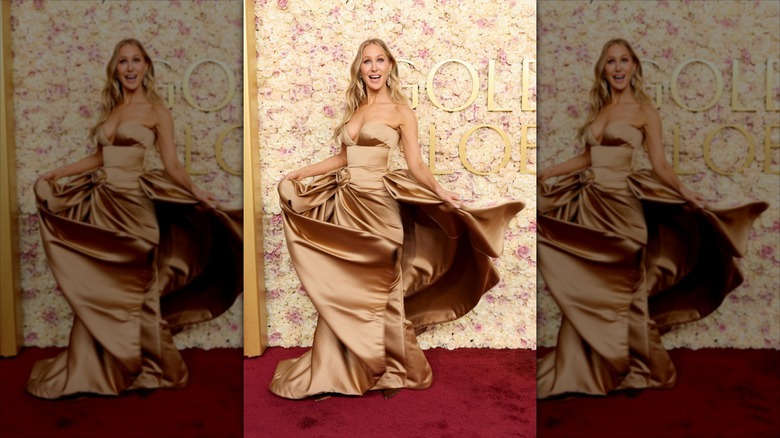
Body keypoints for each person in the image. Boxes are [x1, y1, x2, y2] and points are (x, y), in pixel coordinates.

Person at [269, 38, 524, 400]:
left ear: (390, 66)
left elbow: (416, 165)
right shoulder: (354, 110)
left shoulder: (402, 111)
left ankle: (396, 370)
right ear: (359, 68)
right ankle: (338, 370)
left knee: (381, 289)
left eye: (380, 60)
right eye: (367, 61)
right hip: (348, 205)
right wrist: (300, 173)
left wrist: (441, 191)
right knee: (346, 288)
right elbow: (344, 159)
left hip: (380, 209)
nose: (373, 68)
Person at [535, 38, 768, 399]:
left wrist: (687, 194)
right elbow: (587, 160)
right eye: (610, 61)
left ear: (634, 67)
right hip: (592, 206)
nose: (617, 67)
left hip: (624, 209)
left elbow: (659, 165)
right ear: (603, 68)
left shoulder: (645, 112)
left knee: (627, 290)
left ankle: (653, 371)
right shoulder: (598, 111)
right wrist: (545, 171)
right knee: (594, 289)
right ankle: (591, 369)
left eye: (624, 60)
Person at [27, 38, 242, 399]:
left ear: (146, 66)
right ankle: (99, 370)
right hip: (103, 205)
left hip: (134, 208)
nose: (129, 67)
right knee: (101, 288)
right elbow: (99, 159)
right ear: (116, 68)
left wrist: (197, 192)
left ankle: (165, 372)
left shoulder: (157, 111)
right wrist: (55, 173)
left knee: (140, 291)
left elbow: (171, 164)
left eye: (136, 60)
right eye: (123, 61)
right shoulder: (111, 110)